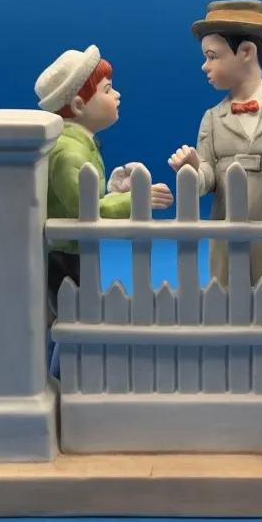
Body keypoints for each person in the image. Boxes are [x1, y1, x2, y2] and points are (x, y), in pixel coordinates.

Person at [167, 0, 262, 375]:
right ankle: (233, 376)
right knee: (229, 307)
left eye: (212, 56)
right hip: (227, 239)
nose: (205, 66)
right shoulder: (212, 119)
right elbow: (206, 180)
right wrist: (193, 168)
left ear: (246, 52)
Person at [35, 45, 173, 376]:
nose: (117, 95)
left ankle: (55, 378)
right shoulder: (69, 152)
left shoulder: (78, 143)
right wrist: (135, 199)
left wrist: (113, 190)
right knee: (73, 321)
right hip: (63, 256)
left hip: (70, 252)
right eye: (108, 90)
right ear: (78, 105)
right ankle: (60, 380)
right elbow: (84, 210)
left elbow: (86, 196)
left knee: (67, 318)